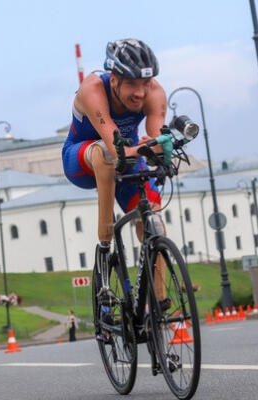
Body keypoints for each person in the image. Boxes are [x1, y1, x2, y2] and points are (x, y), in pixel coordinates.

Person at [62, 39, 170, 309]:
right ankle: (105, 245)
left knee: (154, 222)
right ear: (114, 80)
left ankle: (159, 305)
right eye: (132, 84)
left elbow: (157, 140)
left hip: (129, 158)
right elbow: (115, 147)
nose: (140, 93)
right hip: (83, 158)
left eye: (145, 84)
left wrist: (162, 147)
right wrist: (149, 146)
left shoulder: (155, 93)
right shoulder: (93, 89)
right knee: (106, 154)